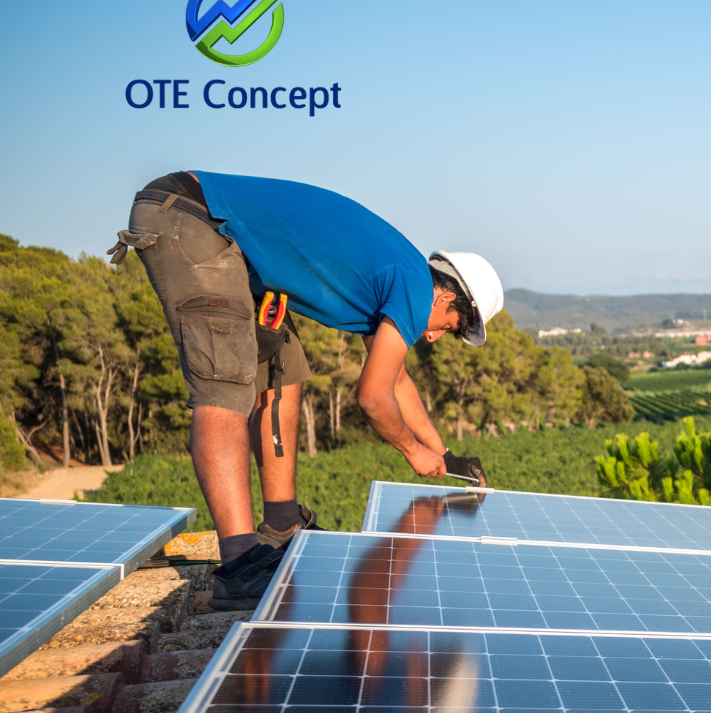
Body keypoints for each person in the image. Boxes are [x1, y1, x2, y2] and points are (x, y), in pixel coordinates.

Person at [108, 171, 501, 610]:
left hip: (232, 245)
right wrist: (414, 452)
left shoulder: (403, 274)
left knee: (285, 367)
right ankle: (240, 565)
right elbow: (372, 397)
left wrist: (443, 455)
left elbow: (397, 380)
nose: (434, 338)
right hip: (195, 218)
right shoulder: (412, 286)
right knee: (225, 384)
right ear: (449, 300)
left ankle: (282, 523)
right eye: (449, 329)